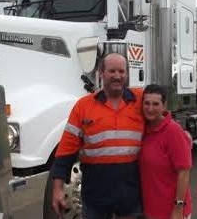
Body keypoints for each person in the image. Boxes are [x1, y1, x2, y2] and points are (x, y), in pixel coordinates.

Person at [50, 52, 144, 219]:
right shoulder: (83, 106)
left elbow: (162, 122)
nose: (117, 76)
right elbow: (66, 151)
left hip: (129, 193)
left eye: (121, 71)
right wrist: (57, 189)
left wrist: (182, 135)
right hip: (95, 194)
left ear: (127, 74)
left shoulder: (140, 100)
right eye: (112, 71)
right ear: (101, 73)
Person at [139, 84, 192, 219]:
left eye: (156, 104)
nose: (150, 108)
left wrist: (178, 208)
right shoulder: (143, 130)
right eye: (147, 103)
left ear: (164, 105)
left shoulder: (173, 131)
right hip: (151, 210)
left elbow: (184, 172)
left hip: (171, 212)